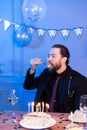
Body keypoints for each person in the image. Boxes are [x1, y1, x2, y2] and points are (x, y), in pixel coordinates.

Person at [23, 44, 87, 113]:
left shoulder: (79, 80)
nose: (49, 59)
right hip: (43, 118)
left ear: (64, 59)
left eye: (53, 56)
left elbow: (79, 111)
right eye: (48, 56)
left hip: (65, 121)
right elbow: (28, 86)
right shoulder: (46, 73)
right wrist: (32, 69)